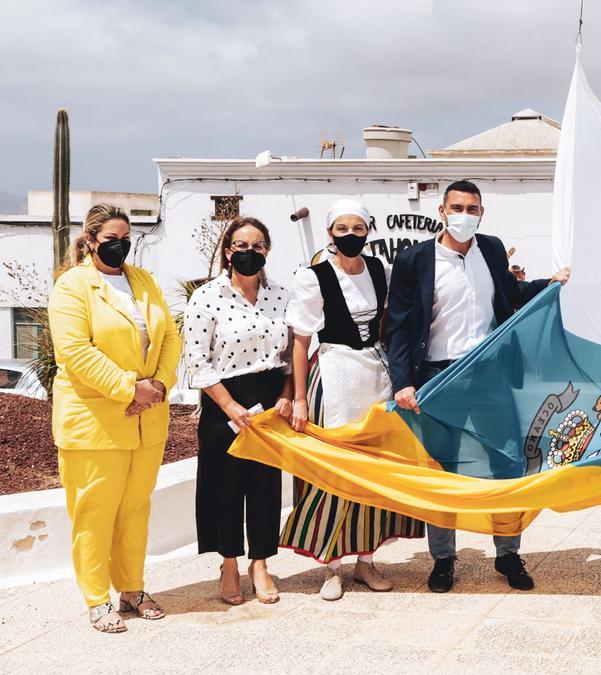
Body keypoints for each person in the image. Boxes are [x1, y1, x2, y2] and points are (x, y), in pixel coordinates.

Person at [387, 179, 569, 593]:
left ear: (481, 213)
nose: (464, 215)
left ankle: (508, 554)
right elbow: (397, 327)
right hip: (437, 376)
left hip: (490, 374)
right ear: (441, 211)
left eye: (472, 209)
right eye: (457, 207)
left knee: (506, 463)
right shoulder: (415, 259)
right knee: (442, 468)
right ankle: (443, 560)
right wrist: (403, 382)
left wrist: (549, 284)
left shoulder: (489, 248)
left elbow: (511, 294)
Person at [280, 199, 424, 601]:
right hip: (336, 370)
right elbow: (300, 340)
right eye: (341, 229)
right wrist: (300, 399)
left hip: (374, 371)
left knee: (373, 466)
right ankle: (331, 566)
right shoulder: (314, 277)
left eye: (358, 229)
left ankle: (365, 560)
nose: (350, 236)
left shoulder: (379, 269)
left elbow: (387, 323)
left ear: (367, 232)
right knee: (337, 469)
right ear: (329, 233)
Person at [48, 204, 182, 633]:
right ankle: (96, 598)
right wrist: (131, 387)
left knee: (135, 509)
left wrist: (159, 384)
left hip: (146, 420)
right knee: (95, 512)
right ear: (90, 242)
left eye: (126, 237)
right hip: (95, 420)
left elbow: (171, 336)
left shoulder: (142, 280)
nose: (121, 245)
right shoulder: (72, 286)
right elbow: (76, 352)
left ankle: (131, 588)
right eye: (111, 239)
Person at [184, 216, 293, 605]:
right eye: (241, 247)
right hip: (223, 398)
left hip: (269, 397)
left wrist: (287, 393)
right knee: (224, 487)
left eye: (258, 246)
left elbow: (290, 354)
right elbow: (196, 359)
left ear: (267, 250)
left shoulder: (282, 294)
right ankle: (228, 562)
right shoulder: (207, 296)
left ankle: (260, 563)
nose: (249, 253)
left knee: (264, 486)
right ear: (228, 251)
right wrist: (230, 406)